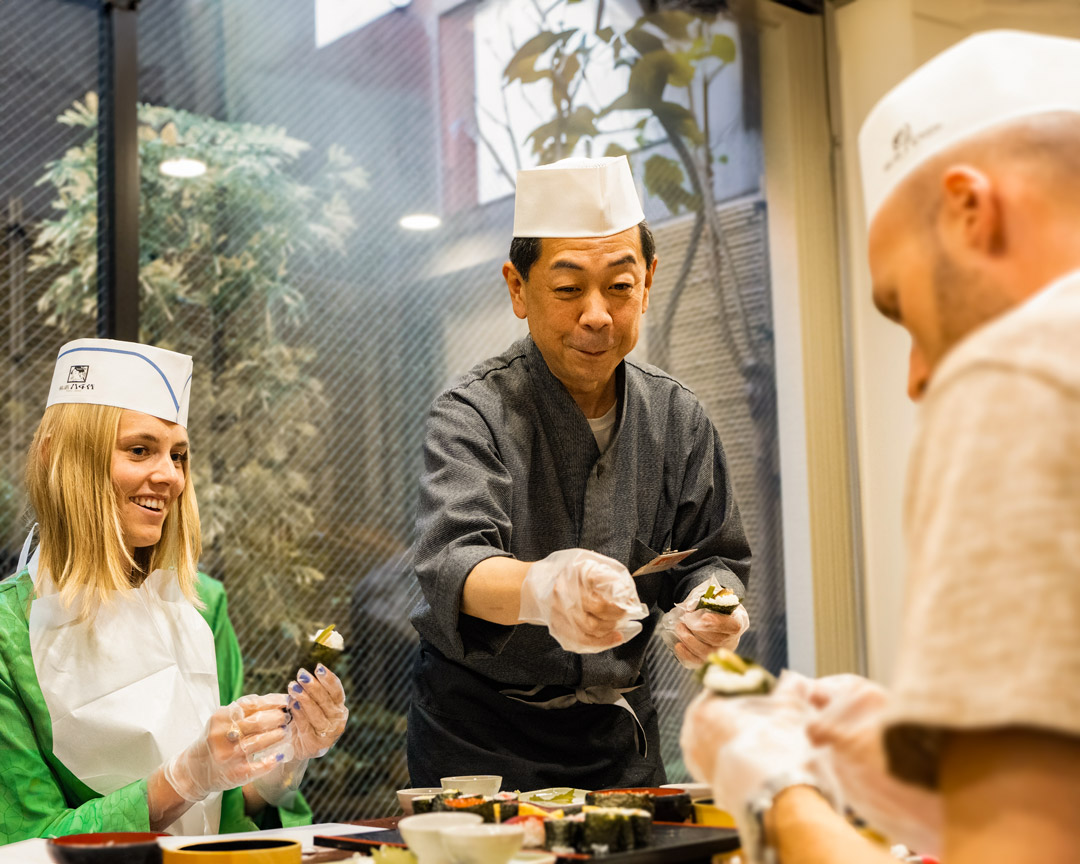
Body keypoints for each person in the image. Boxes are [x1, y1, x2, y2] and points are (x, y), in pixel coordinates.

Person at [680, 29, 1080, 864]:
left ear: (971, 208)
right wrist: (931, 779)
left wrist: (772, 792)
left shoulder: (1024, 370)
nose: (918, 376)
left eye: (902, 308)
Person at [407, 155, 753, 791]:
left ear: (648, 281)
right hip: (480, 741)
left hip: (621, 738)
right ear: (518, 288)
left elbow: (713, 557)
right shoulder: (473, 412)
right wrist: (544, 589)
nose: (596, 314)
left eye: (619, 287)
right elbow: (455, 563)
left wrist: (714, 606)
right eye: (568, 290)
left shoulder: (678, 418)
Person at [0, 338, 349, 844]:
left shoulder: (200, 608)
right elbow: (24, 841)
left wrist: (286, 755)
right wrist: (180, 779)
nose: (170, 477)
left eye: (178, 455)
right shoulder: (10, 636)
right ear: (62, 458)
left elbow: (232, 806)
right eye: (140, 450)